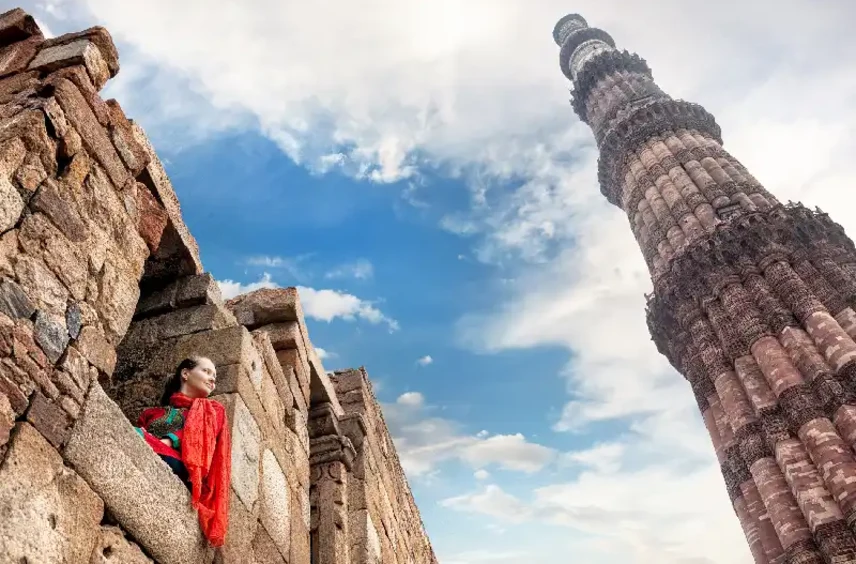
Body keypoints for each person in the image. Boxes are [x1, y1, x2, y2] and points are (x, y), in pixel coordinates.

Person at [135, 356, 232, 547]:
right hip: (153, 451)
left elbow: (203, 437)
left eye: (215, 375)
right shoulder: (152, 413)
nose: (213, 379)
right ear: (186, 373)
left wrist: (167, 441)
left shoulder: (213, 410)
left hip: (185, 467)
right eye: (206, 371)